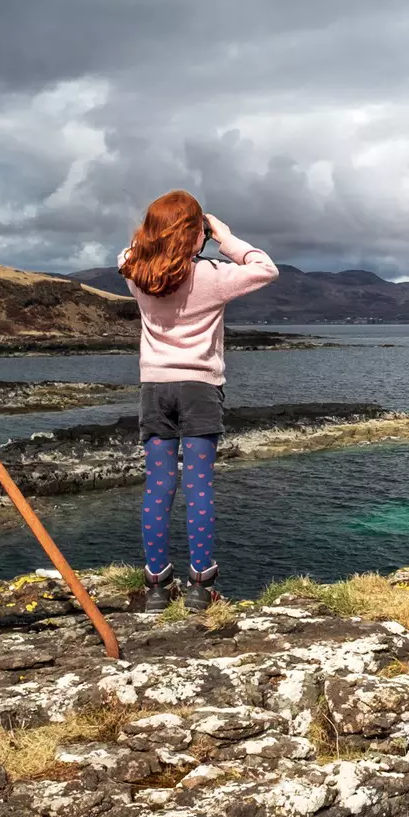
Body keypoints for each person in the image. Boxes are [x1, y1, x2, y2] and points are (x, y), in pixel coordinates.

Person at [117, 189, 278, 612]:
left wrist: (158, 236)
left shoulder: (136, 271)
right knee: (199, 486)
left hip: (155, 388)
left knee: (158, 486)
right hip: (200, 388)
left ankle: (155, 587)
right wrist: (224, 236)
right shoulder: (211, 275)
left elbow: (126, 252)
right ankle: (200, 588)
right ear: (197, 235)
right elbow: (265, 269)